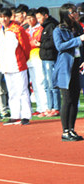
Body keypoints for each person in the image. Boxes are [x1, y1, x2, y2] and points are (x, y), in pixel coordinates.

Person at [53, 3, 84, 141]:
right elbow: (60, 46)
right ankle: (65, 131)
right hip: (65, 67)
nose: (75, 14)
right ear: (65, 14)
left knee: (75, 98)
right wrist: (78, 40)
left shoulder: (77, 27)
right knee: (67, 99)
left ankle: (72, 129)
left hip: (77, 65)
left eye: (76, 11)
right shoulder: (58, 30)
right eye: (72, 12)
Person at [0, 7, 32, 125]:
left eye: (5, 17)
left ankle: (26, 115)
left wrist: (23, 59)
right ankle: (15, 114)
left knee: (22, 90)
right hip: (6, 66)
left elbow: (26, 46)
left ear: (9, 17)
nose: (3, 19)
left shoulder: (17, 29)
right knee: (11, 91)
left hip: (18, 64)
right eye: (1, 17)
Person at [36, 7, 60, 117]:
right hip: (45, 58)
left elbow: (54, 42)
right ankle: (49, 107)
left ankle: (56, 107)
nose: (38, 20)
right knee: (47, 84)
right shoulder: (45, 26)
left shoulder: (51, 25)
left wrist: (41, 44)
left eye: (39, 17)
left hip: (50, 58)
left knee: (52, 83)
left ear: (45, 15)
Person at [25, 8, 48, 117]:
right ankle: (39, 107)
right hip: (30, 59)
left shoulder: (40, 28)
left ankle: (45, 106)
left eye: (31, 18)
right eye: (27, 18)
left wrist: (32, 43)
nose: (29, 20)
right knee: (34, 84)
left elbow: (38, 40)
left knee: (41, 81)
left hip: (38, 57)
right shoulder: (26, 30)